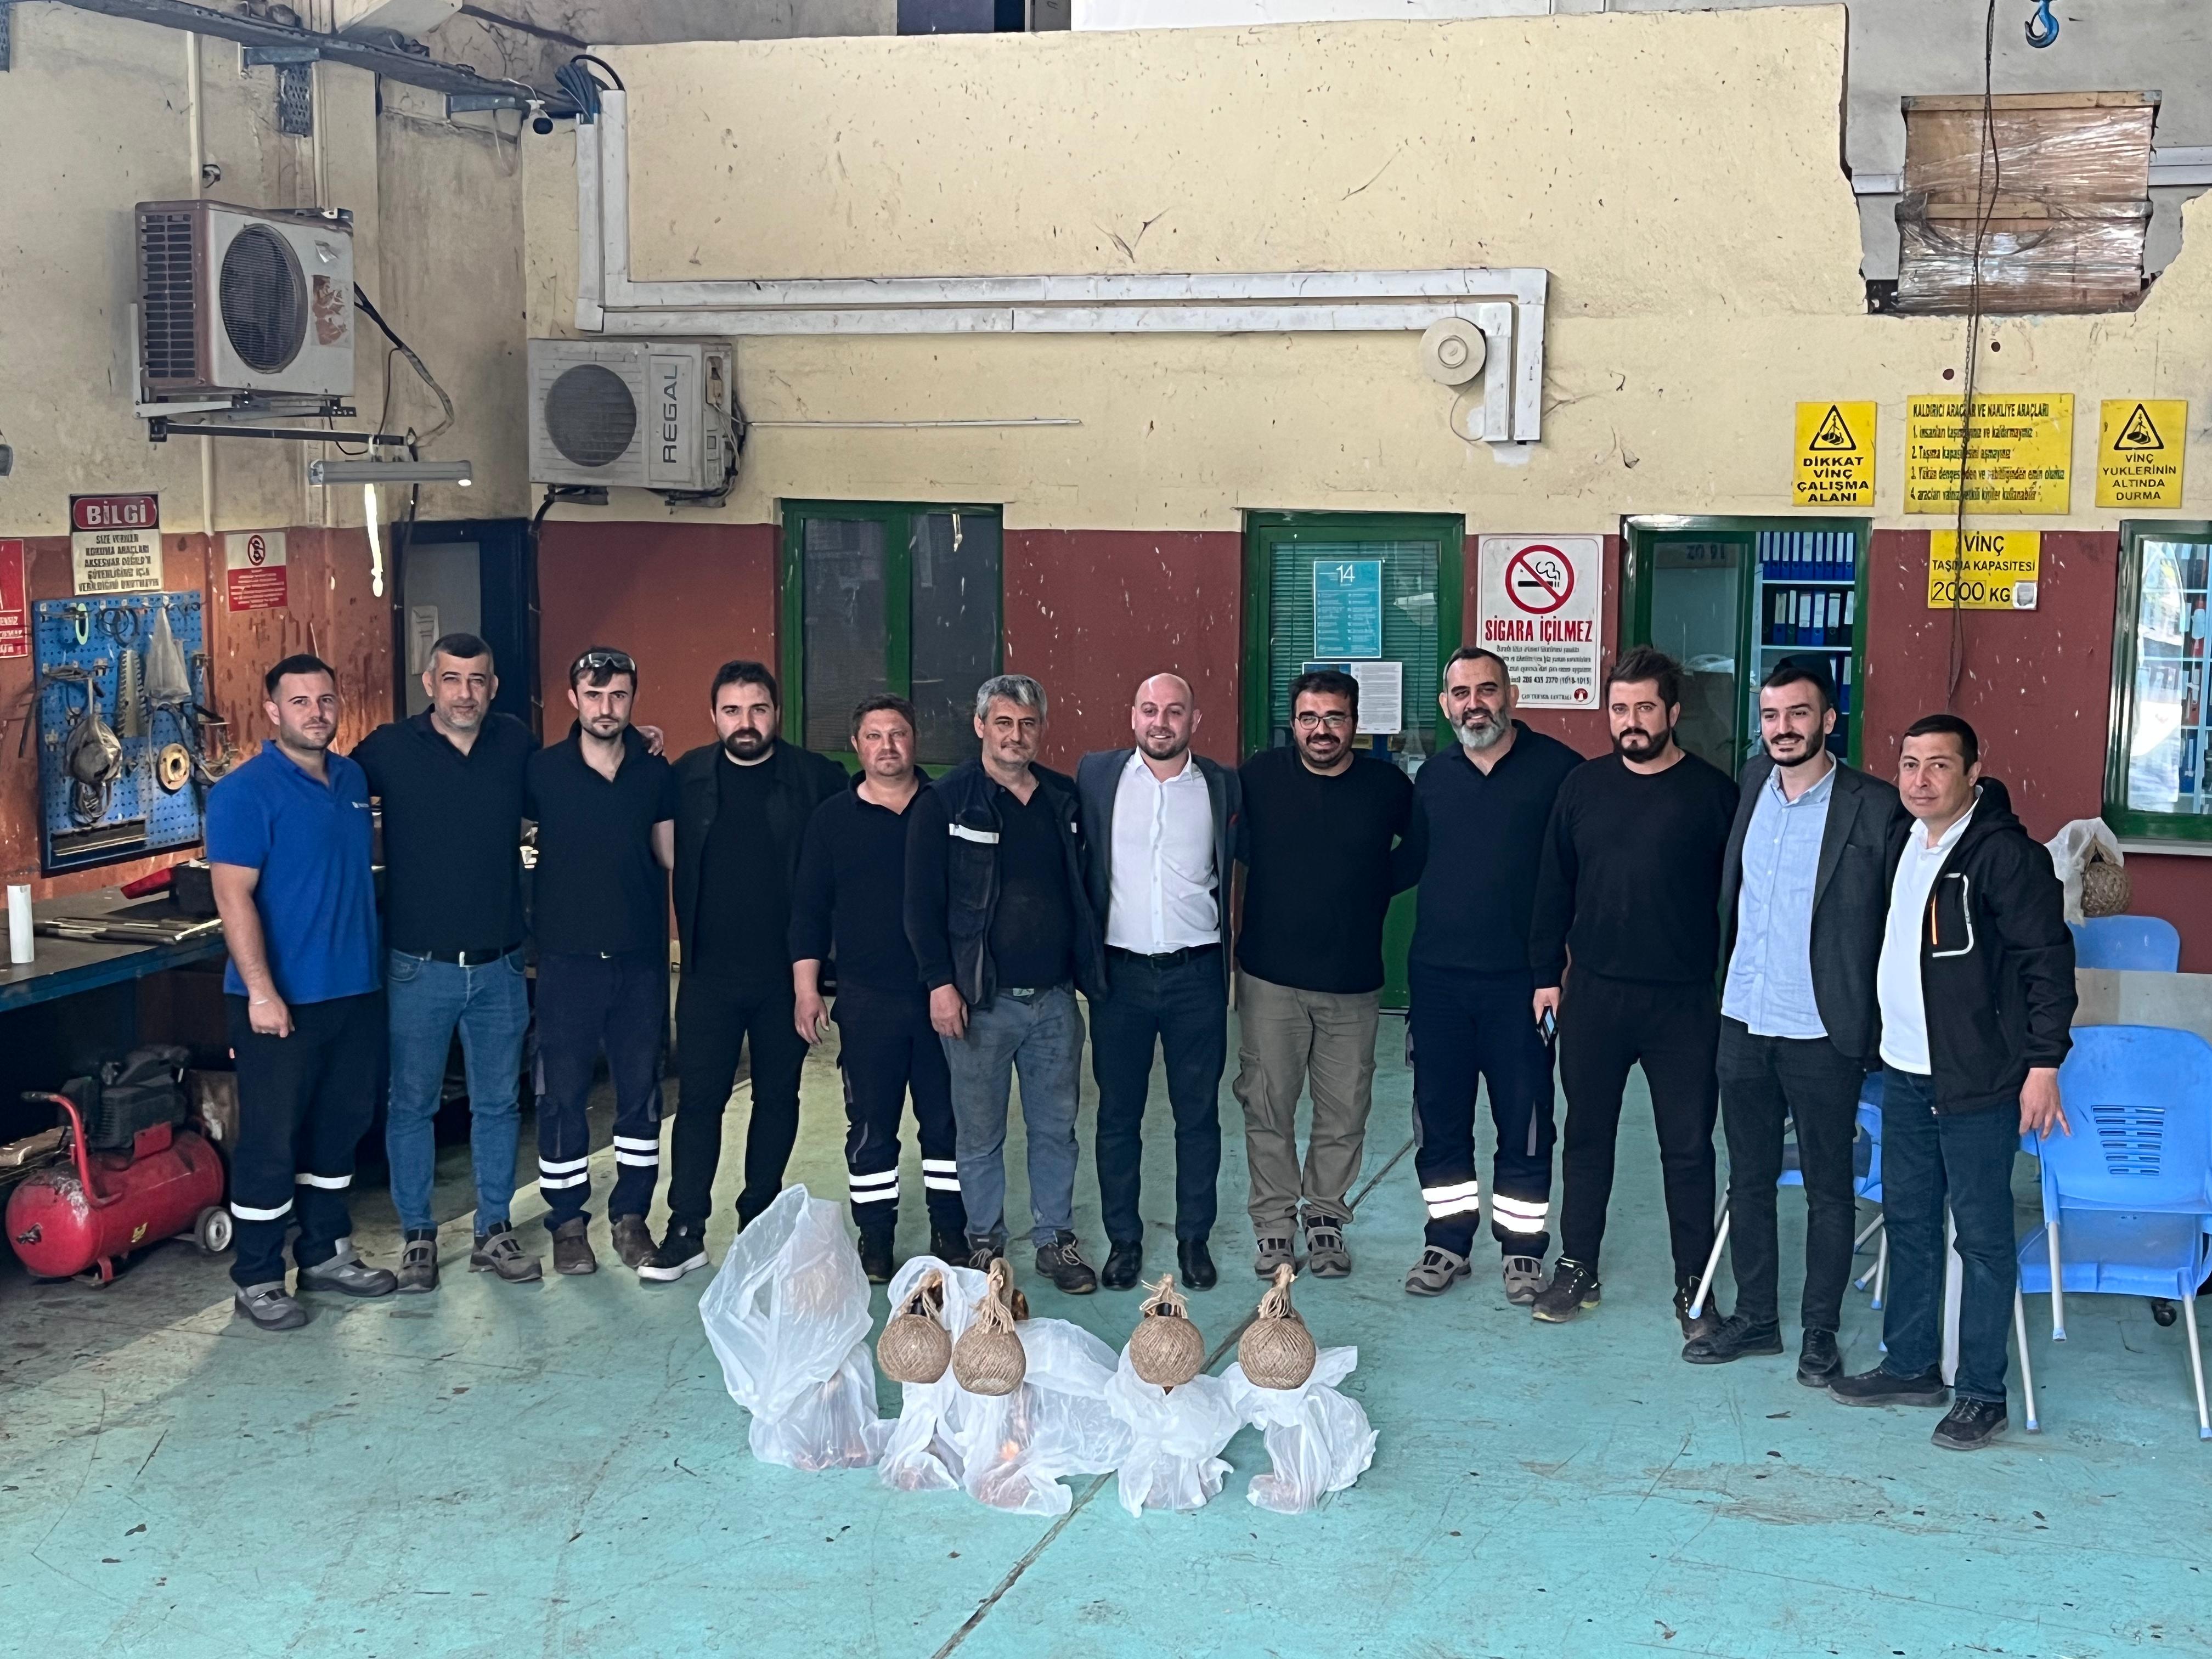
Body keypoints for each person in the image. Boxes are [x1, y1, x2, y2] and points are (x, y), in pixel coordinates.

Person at [1829, 714, 2075, 1452]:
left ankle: (1980, 1392)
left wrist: (2044, 1065)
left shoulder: (2006, 856)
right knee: (1909, 1222)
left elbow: (2046, 961)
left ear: (1973, 771)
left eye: (1939, 765)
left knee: (1983, 1238)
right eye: (1910, 764)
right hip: (1905, 1074)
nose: (1921, 779)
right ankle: (1911, 1365)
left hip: (1978, 1083)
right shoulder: (1905, 842)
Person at [1686, 662, 1904, 1383]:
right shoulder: (1751, 783)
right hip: (1743, 1019)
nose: (1783, 728)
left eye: (1798, 714)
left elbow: (1896, 919)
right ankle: (1756, 1319)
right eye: (1772, 715)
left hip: (1823, 1028)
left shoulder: (1873, 806)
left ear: (1829, 721)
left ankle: (1819, 1332)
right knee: (1747, 1180)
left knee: (1827, 1189)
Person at [1528, 645, 1738, 1338]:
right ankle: (1577, 1267)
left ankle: (1694, 1282)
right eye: (1620, 709)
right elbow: (1553, 887)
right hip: (1595, 996)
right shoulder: (1581, 788)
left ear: (1673, 713)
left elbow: (1742, 902)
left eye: (1645, 708)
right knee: (1586, 1138)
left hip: (1684, 1004)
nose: (1631, 721)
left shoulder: (1714, 795)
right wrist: (1545, 978)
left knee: (1689, 1147)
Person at [206, 655, 396, 1329]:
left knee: (340, 1129)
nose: (316, 713)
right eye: (300, 702)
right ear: (272, 712)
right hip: (278, 1004)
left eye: (326, 700)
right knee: (271, 1139)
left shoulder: (351, 779)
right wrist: (262, 992)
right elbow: (232, 897)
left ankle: (325, 1253)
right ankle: (257, 1275)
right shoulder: (243, 793)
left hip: (354, 992)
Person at [641, 660, 844, 1282]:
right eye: (732, 710)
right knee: (697, 1103)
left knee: (777, 1098)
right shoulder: (685, 777)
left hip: (787, 976)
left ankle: (760, 1222)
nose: (746, 722)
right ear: (714, 716)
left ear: (776, 713)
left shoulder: (815, 778)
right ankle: (686, 1229)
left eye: (758, 709)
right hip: (707, 974)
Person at [906, 674, 1106, 1294]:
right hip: (979, 1002)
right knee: (979, 1134)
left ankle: (1054, 1240)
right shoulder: (946, 802)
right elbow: (920, 904)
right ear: (980, 726)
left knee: (1056, 1129)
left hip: (1053, 1002)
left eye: (1027, 724)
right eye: (1003, 723)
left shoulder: (1063, 800)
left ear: (1041, 729)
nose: (1015, 736)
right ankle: (984, 1243)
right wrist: (940, 984)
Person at [353, 634, 541, 1290]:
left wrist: (640, 742)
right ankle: (417, 1236)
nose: (466, 693)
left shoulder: (515, 743)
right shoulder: (387, 750)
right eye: (453, 679)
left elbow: (573, 780)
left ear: (494, 688)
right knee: (412, 1105)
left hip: (500, 966)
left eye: (478, 681)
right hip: (418, 966)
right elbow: (325, 786)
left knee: (499, 1105)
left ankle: (494, 1230)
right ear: (429, 683)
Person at [1233, 668, 1425, 1279]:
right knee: (1268, 1106)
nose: (1322, 730)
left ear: (1355, 723)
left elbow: (1419, 851)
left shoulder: (1386, 786)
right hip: (1270, 978)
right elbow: (1235, 846)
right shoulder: (1260, 777)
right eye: (1310, 718)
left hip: (1353, 982)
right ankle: (1273, 1226)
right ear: (1294, 723)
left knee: (1344, 1111)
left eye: (1334, 718)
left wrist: (1371, 886)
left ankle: (1325, 1219)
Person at [1403, 648, 1581, 1304]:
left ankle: (1524, 1248)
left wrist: (1554, 970)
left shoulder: (1561, 772)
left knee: (1528, 1116)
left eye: (1486, 690)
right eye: (1461, 693)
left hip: (1529, 986)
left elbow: (1579, 876)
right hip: (1438, 983)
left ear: (1512, 695)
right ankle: (1447, 1241)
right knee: (1439, 1116)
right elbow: (1407, 864)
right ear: (1446, 704)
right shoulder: (1432, 778)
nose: (1474, 704)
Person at [791, 695, 968, 1283]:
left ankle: (950, 1229)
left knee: (946, 1122)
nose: (887, 746)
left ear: (915, 742)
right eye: (874, 736)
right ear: (857, 745)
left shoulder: (945, 809)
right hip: (867, 999)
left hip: (942, 995)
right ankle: (876, 1237)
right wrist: (807, 989)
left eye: (898, 734)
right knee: (870, 1127)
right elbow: (809, 910)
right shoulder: (831, 821)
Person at [1076, 673, 1242, 1293]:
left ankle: (1194, 1239)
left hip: (1197, 975)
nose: (1161, 722)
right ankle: (1124, 1241)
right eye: (1150, 709)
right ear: (1133, 716)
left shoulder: (1222, 785)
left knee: (1198, 1117)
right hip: (1119, 977)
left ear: (1194, 720)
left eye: (1174, 711)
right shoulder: (1098, 776)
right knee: (1118, 1116)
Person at [525, 647, 678, 1277]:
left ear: (633, 698)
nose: (606, 707)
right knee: (562, 1096)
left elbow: (669, 855)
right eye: (594, 695)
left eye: (618, 695)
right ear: (573, 699)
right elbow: (518, 846)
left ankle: (632, 1218)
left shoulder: (654, 773)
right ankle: (567, 1224)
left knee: (640, 1094)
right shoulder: (541, 773)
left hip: (640, 962)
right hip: (567, 963)